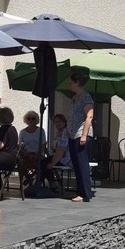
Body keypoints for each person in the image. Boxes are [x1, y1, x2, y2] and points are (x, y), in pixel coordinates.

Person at [67, 66, 95, 202]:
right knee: (76, 164)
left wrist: (84, 135)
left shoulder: (86, 97)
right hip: (72, 134)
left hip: (80, 134)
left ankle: (85, 194)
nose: (69, 84)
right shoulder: (74, 98)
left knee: (82, 163)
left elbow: (89, 116)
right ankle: (79, 191)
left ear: (77, 82)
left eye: (71, 82)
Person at [41, 113, 72, 188]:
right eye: (55, 122)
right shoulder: (59, 133)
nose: (57, 123)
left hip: (64, 159)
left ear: (64, 122)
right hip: (59, 157)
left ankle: (45, 182)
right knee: (42, 163)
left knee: (43, 164)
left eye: (59, 121)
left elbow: (61, 149)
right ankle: (50, 182)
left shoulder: (64, 133)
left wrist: (52, 163)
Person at [18, 110, 46, 187]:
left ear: (36, 120)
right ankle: (29, 180)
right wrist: (26, 154)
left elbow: (43, 145)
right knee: (20, 163)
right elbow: (21, 146)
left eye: (33, 118)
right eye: (29, 118)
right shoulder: (22, 132)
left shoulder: (41, 131)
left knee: (41, 164)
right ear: (26, 120)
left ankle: (30, 177)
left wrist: (37, 154)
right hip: (26, 155)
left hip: (38, 155)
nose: (31, 120)